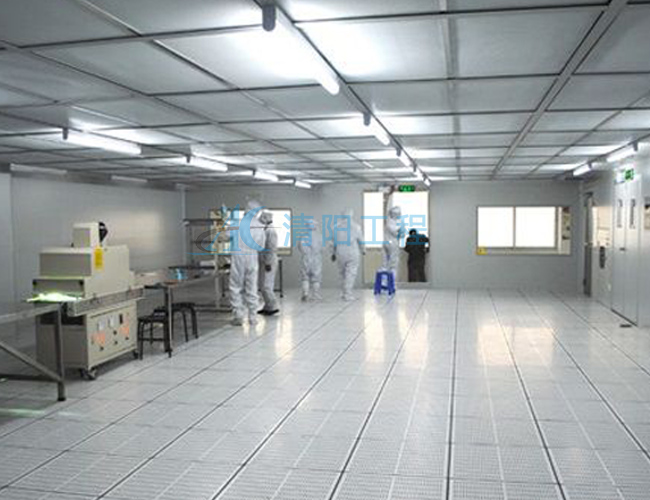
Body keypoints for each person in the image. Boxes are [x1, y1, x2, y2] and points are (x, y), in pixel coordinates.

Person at [228, 200, 266, 326]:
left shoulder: (236, 223)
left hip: (238, 256)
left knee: (235, 286)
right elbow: (261, 246)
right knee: (252, 287)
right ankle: (253, 317)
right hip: (252, 257)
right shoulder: (260, 226)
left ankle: (238, 315)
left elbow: (225, 236)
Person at [331, 208, 365, 301]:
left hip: (340, 253)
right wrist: (363, 250)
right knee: (350, 273)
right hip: (352, 252)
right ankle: (347, 294)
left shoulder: (335, 227)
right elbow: (361, 240)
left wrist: (333, 253)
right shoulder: (356, 227)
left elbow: (332, 242)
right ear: (351, 215)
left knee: (342, 273)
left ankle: (344, 293)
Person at [258, 210, 279, 316]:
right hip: (265, 260)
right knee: (263, 285)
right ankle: (267, 306)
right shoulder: (266, 229)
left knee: (266, 286)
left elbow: (271, 248)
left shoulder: (271, 231)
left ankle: (273, 306)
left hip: (268, 261)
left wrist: (268, 263)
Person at [297, 219, 323, 302]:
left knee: (305, 277)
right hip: (316, 259)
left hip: (306, 258)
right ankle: (315, 295)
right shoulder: (319, 237)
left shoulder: (303, 237)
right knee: (316, 277)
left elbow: (300, 248)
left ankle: (305, 293)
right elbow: (322, 248)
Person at [383, 205, 404, 280]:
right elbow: (397, 233)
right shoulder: (394, 223)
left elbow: (402, 234)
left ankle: (385, 281)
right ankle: (391, 282)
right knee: (393, 264)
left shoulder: (389, 221)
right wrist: (400, 229)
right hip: (392, 243)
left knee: (386, 263)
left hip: (387, 242)